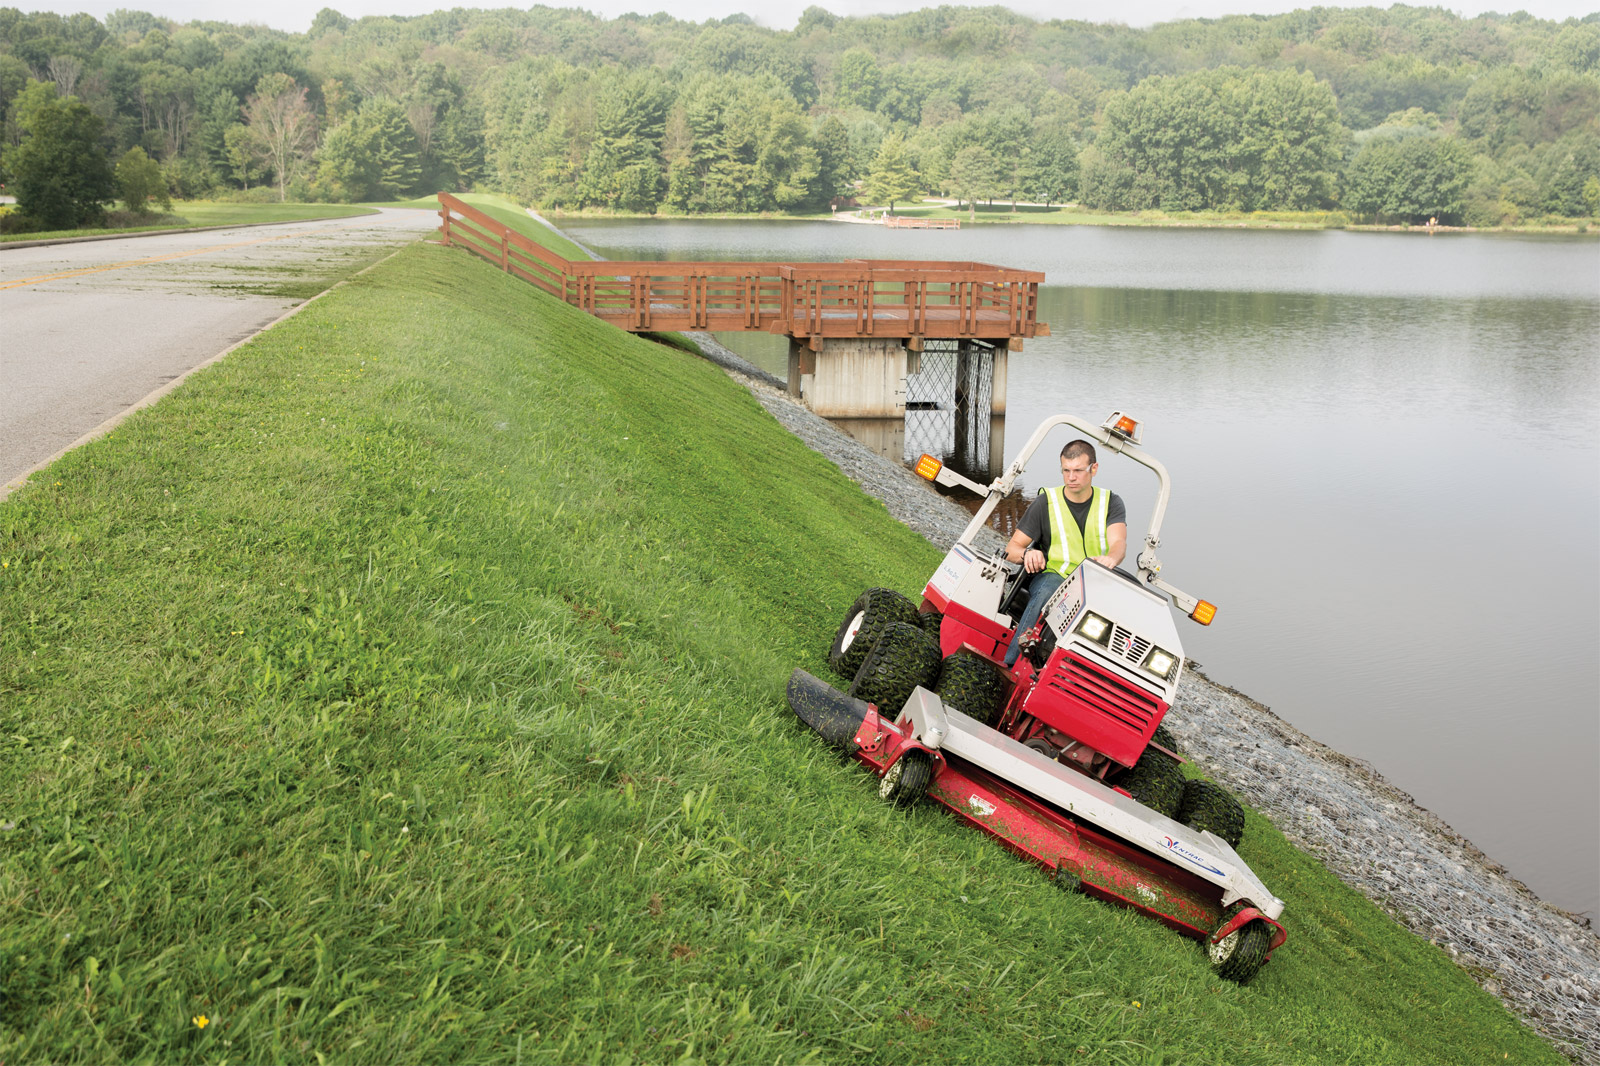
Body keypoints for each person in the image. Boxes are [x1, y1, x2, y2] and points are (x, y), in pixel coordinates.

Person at [1000, 439, 1127, 667]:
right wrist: (1027, 554)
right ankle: (1011, 663)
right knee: (1050, 592)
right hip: (1053, 577)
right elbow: (1012, 549)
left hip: (1096, 584)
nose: (1071, 477)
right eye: (1066, 471)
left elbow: (1118, 542)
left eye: (1078, 470)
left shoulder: (1110, 503)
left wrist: (1112, 558)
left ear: (1094, 469)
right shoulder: (1046, 502)